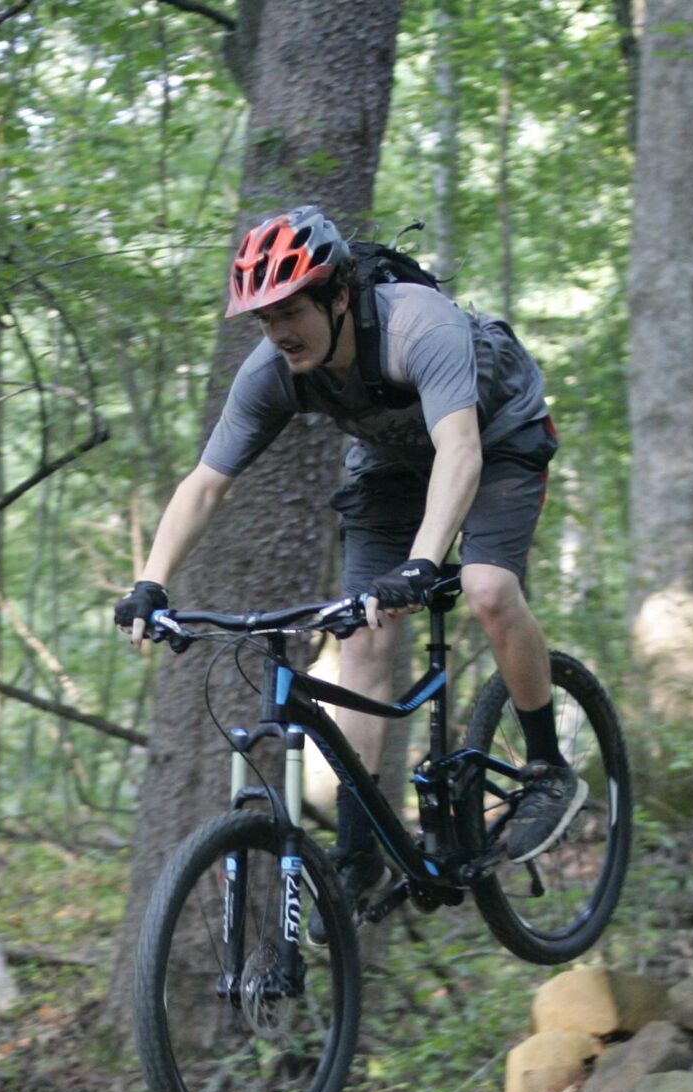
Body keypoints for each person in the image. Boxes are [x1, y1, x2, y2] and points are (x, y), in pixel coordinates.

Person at [113, 205, 583, 899]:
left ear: (337, 294)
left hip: (498, 434)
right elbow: (206, 484)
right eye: (264, 320)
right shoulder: (274, 370)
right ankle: (361, 845)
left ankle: (548, 769)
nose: (278, 334)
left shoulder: (418, 327)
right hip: (393, 463)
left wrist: (423, 564)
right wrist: (149, 583)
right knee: (361, 639)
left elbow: (460, 451)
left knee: (485, 587)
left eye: (290, 312)